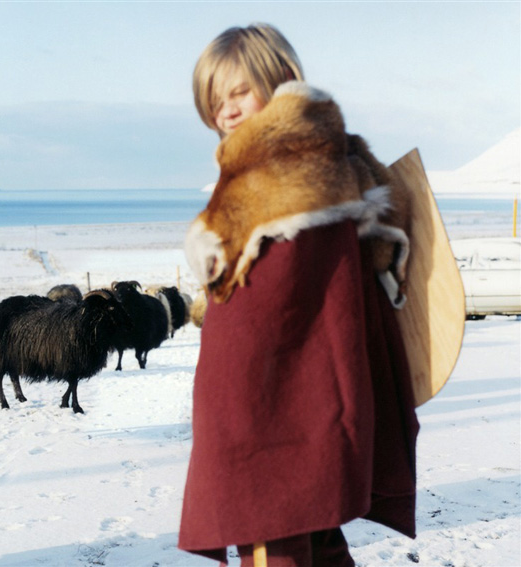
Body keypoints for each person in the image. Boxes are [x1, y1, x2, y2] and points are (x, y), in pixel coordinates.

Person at [178, 24, 419, 566]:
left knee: (276, 541)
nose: (228, 112)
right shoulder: (334, 155)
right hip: (316, 405)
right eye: (215, 103)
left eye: (239, 92)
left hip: (274, 412)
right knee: (317, 535)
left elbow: (272, 304)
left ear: (281, 78)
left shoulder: (284, 168)